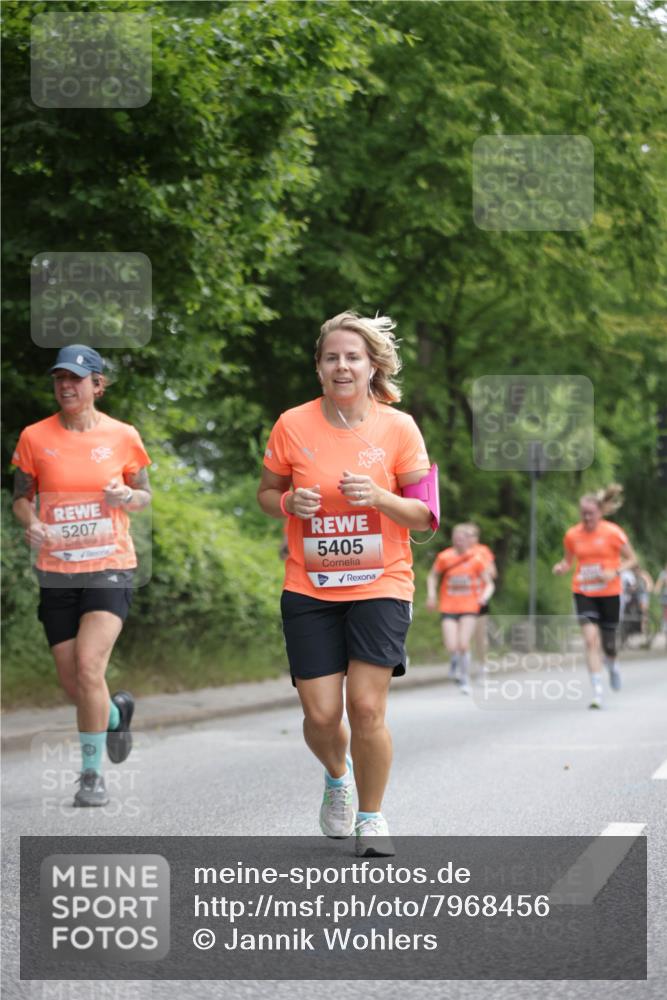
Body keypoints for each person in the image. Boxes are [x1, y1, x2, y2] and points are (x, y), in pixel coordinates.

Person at [257, 311, 434, 857]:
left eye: (353, 357)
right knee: (321, 715)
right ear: (318, 367)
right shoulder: (292, 424)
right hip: (309, 586)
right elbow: (266, 493)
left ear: (371, 365)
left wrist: (379, 498)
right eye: (332, 357)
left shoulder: (398, 427)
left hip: (381, 581)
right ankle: (338, 775)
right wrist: (288, 502)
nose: (342, 365)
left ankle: (373, 817)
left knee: (365, 707)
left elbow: (426, 516)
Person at [11, 345, 151, 807]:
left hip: (110, 564)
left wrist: (124, 496)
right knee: (75, 683)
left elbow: (143, 495)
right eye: (59, 379)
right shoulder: (34, 437)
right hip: (56, 572)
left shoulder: (123, 435)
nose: (66, 387)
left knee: (91, 667)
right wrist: (30, 521)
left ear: (97, 384)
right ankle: (116, 714)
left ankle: (90, 777)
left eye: (76, 378)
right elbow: (21, 497)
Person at [552, 485, 638, 709]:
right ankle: (597, 691)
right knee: (590, 641)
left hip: (609, 592)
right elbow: (568, 561)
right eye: (583, 513)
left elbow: (632, 559)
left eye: (591, 513)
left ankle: (612, 665)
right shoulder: (572, 535)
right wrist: (562, 567)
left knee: (609, 645)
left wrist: (615, 571)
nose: (587, 517)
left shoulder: (613, 533)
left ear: (600, 512)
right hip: (584, 591)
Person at [426, 525, 494, 694]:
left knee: (463, 644)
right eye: (456, 538)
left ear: (469, 540)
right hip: (448, 606)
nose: (459, 541)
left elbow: (489, 583)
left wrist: (483, 597)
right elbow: (432, 575)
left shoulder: (476, 559)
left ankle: (464, 679)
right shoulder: (444, 557)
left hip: (470, 606)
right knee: (451, 645)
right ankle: (455, 663)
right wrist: (432, 595)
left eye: (463, 538)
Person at [463, 522, 497, 667]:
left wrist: (482, 569)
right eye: (466, 535)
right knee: (464, 636)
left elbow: (493, 573)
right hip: (461, 598)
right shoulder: (458, 551)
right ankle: (465, 666)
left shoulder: (483, 551)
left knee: (480, 635)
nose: (469, 538)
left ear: (477, 537)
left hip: (479, 598)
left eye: (472, 535)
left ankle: (483, 665)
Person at [653, 563, 667, 644]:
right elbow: (659, 584)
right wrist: (656, 591)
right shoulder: (663, 574)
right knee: (665, 615)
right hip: (665, 596)